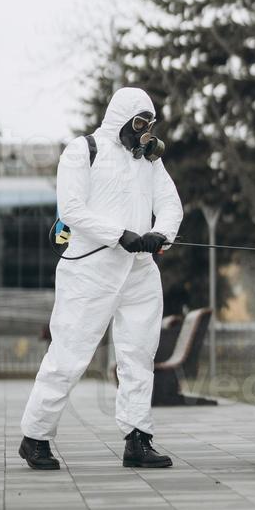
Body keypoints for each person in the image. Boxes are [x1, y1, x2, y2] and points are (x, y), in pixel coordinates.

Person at [19, 87, 183, 471]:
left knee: (138, 355)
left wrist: (162, 234)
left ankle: (138, 438)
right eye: (139, 122)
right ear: (120, 118)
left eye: (149, 124)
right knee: (69, 354)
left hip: (140, 270)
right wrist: (119, 234)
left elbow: (171, 204)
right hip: (89, 272)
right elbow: (71, 209)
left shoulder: (148, 162)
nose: (143, 131)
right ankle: (36, 436)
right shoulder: (83, 151)